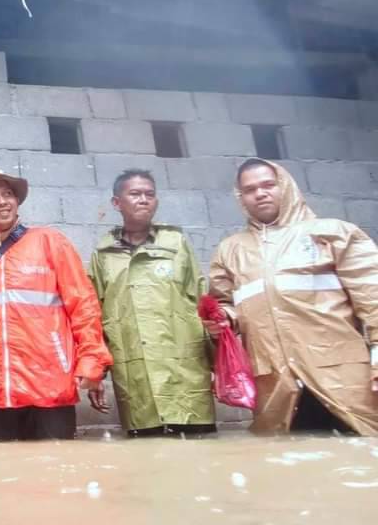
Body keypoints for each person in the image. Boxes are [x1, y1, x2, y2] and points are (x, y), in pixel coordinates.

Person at [207, 158, 378, 435]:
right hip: (276, 383)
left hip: (340, 374)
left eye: (268, 185)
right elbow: (225, 302)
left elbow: (373, 297)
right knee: (292, 462)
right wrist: (223, 319)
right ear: (241, 198)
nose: (260, 193)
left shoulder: (333, 233)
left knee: (364, 452)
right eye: (250, 190)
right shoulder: (231, 250)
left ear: (285, 186)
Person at [0, 170, 112, 441]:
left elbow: (83, 305)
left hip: (50, 386)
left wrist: (91, 360)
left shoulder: (50, 241)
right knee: (4, 473)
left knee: (57, 471)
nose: (3, 202)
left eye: (8, 194)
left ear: (17, 202)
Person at [88, 169, 215, 437]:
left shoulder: (176, 243)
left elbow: (202, 301)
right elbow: (94, 316)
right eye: (134, 194)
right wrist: (95, 372)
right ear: (116, 203)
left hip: (184, 369)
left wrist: (217, 363)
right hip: (135, 373)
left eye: (150, 194)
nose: (143, 200)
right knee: (146, 460)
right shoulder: (103, 254)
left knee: (200, 457)